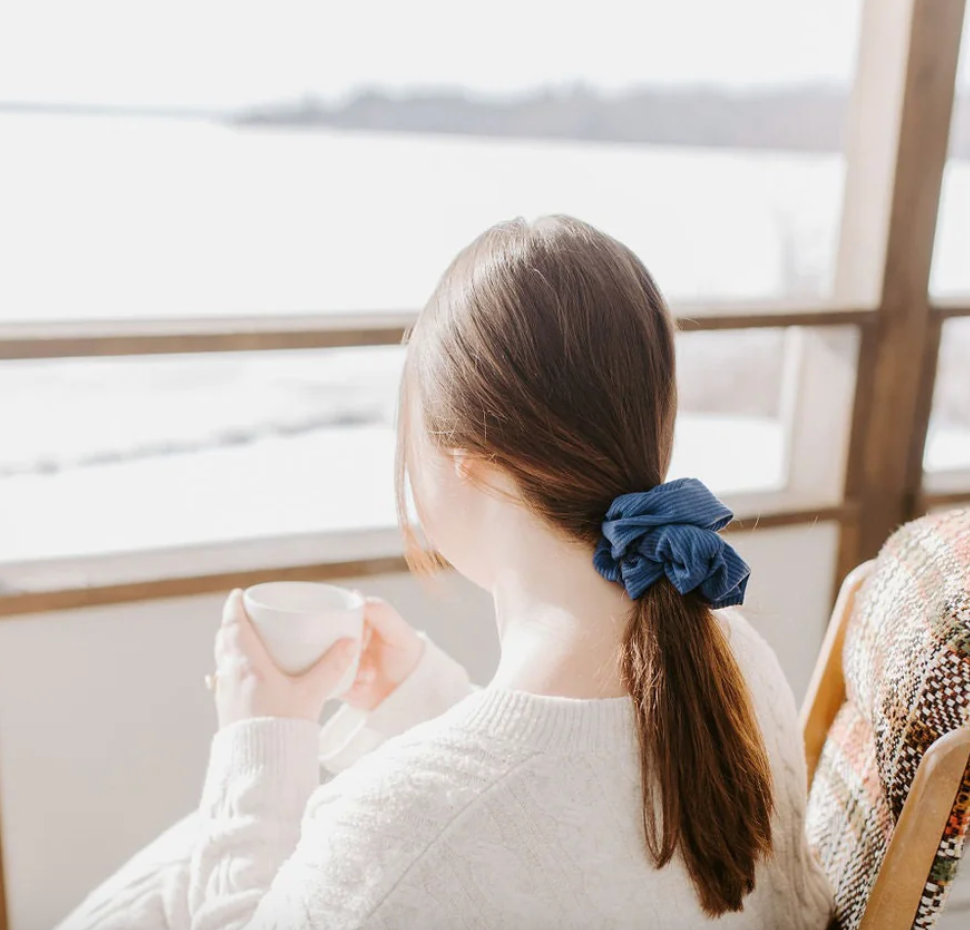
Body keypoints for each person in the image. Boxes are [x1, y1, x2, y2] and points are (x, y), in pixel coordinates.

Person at [59, 216, 832, 930]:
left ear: (476, 465)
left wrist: (261, 739)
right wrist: (428, 702)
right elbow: (563, 822)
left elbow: (481, 830)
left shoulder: (391, 831)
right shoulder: (731, 658)